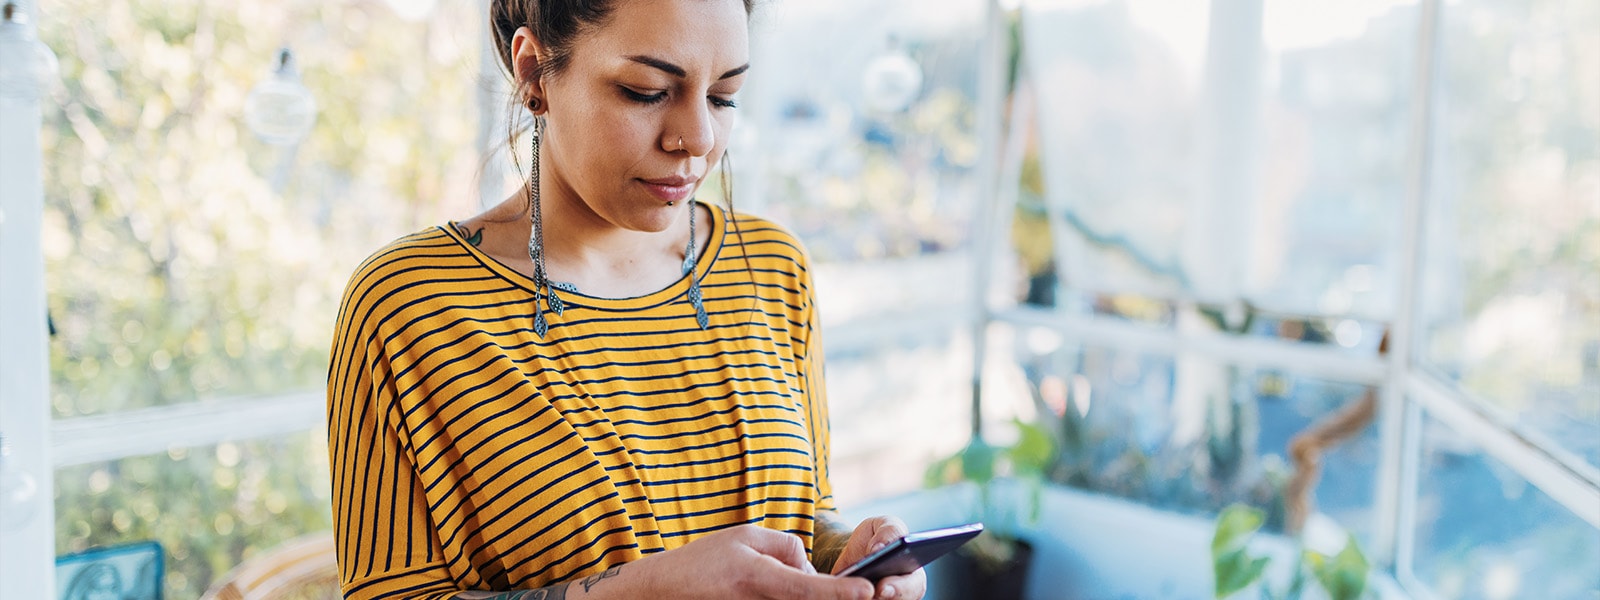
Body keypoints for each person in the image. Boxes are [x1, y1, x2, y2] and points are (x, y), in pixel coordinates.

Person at [326, 1, 927, 598]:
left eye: (724, 96)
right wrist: (642, 591)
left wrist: (856, 553)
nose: (698, 138)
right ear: (535, 74)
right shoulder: (408, 308)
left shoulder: (772, 267)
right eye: (646, 91)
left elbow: (804, 510)